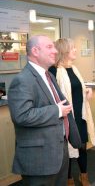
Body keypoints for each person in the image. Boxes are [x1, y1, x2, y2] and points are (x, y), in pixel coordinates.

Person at [7, 35, 81, 186]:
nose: (55, 51)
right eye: (49, 47)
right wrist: (57, 111)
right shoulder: (23, 80)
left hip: (59, 153)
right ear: (35, 51)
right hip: (39, 159)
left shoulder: (48, 76)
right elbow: (22, 116)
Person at [49, 38, 95, 186]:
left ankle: (84, 177)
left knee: (82, 146)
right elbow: (52, 96)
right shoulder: (53, 70)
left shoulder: (74, 68)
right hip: (66, 118)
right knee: (67, 152)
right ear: (64, 51)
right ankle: (68, 179)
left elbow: (78, 87)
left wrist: (86, 90)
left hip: (80, 116)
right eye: (73, 48)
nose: (75, 50)